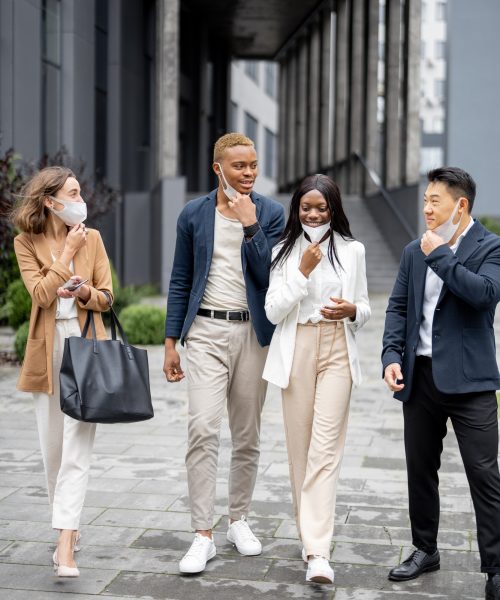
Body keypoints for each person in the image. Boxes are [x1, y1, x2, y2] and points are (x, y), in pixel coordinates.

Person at [163, 132, 285, 574]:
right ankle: (202, 534)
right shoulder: (193, 214)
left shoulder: (271, 212)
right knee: (202, 428)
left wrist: (251, 224)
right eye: (239, 166)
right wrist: (171, 341)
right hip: (206, 333)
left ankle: (239, 519)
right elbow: (180, 278)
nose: (248, 172)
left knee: (247, 434)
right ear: (219, 168)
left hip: (254, 334)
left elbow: (269, 274)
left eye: (253, 165)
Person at [382, 167, 500, 598]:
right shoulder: (414, 250)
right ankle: (424, 549)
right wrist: (391, 356)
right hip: (421, 378)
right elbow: (397, 308)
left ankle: (496, 567)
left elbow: (484, 294)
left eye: (435, 200)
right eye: (426, 200)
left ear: (460, 205)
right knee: (420, 469)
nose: (427, 208)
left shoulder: (491, 246)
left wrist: (441, 256)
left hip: (471, 382)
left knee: (485, 475)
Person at [262, 174, 371, 584]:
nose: (313, 214)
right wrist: (302, 272)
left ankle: (318, 551)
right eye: (306, 207)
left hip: (337, 351)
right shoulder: (282, 251)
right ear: (297, 210)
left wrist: (352, 312)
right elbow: (274, 311)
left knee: (326, 451)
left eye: (321, 208)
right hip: (298, 349)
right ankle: (309, 531)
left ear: (333, 209)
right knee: (300, 451)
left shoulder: (353, 250)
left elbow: (364, 307)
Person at [12, 166, 113, 577]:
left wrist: (84, 290)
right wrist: (67, 255)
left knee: (78, 448)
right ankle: (66, 527)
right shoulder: (25, 242)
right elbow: (38, 294)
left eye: (79, 191)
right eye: (71, 193)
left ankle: (65, 542)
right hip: (47, 348)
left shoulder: (95, 238)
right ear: (50, 201)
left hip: (86, 342)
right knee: (54, 449)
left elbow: (107, 297)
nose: (79, 199)